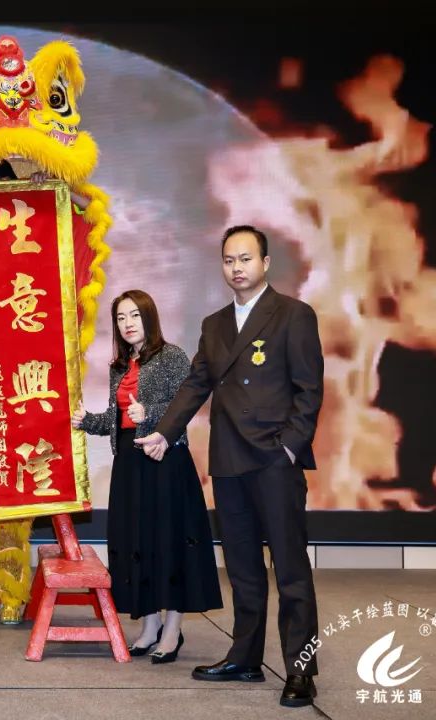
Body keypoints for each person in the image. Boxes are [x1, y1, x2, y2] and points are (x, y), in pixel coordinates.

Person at [135, 226, 323, 707]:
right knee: (242, 568)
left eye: (245, 258)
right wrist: (165, 432)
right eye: (228, 260)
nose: (237, 268)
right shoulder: (215, 324)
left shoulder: (293, 315)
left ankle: (301, 670)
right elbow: (196, 384)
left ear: (265, 263)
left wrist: (289, 447)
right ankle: (245, 658)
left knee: (291, 569)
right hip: (229, 460)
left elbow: (309, 390)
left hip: (274, 461)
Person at [73, 290, 222, 664]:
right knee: (137, 541)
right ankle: (150, 624)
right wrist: (86, 421)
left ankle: (173, 629)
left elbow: (186, 404)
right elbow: (116, 418)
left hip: (164, 460)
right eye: (121, 318)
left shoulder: (172, 356)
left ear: (150, 317)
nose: (128, 324)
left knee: (169, 542)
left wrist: (150, 413)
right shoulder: (120, 366)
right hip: (129, 462)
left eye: (135, 315)